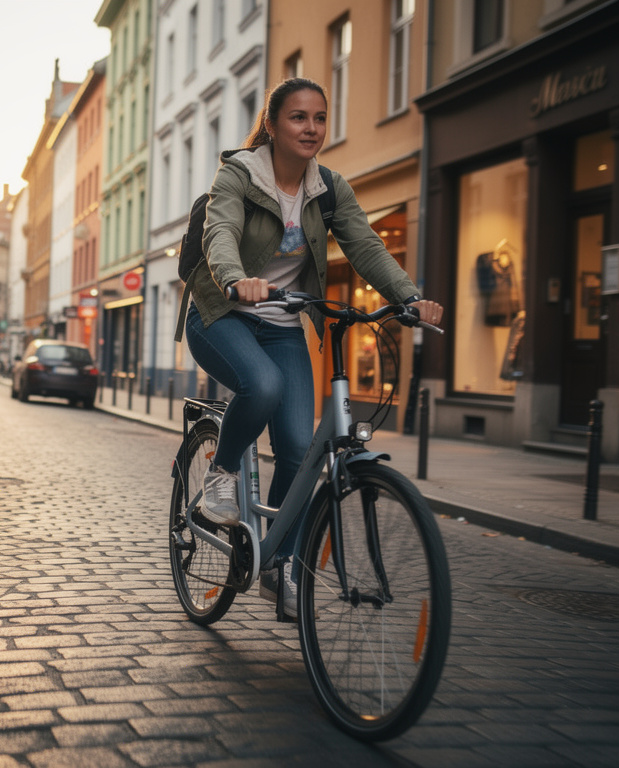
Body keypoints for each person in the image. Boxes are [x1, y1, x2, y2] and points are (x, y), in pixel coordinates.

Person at [174, 77, 443, 615]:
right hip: (221, 312)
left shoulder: (328, 187)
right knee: (264, 385)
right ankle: (221, 479)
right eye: (298, 118)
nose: (311, 128)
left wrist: (409, 296)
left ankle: (281, 568)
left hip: (284, 324)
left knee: (300, 449)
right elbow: (220, 231)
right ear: (272, 125)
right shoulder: (239, 174)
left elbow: (364, 244)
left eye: (319, 118)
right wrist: (233, 278)